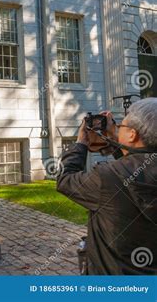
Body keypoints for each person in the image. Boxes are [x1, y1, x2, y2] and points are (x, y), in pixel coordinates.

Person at [57, 97, 157, 275]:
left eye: (121, 127)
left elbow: (66, 180)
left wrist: (80, 143)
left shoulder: (107, 177)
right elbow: (136, 170)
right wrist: (116, 143)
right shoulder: (119, 174)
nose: (117, 130)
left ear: (132, 134)